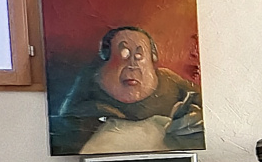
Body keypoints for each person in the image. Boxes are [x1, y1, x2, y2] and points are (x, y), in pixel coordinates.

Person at [51, 25, 205, 154]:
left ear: (152, 57)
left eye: (139, 55)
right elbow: (66, 119)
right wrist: (99, 111)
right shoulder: (91, 78)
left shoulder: (168, 79)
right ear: (106, 56)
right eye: (124, 54)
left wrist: (192, 118)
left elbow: (203, 104)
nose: (132, 64)